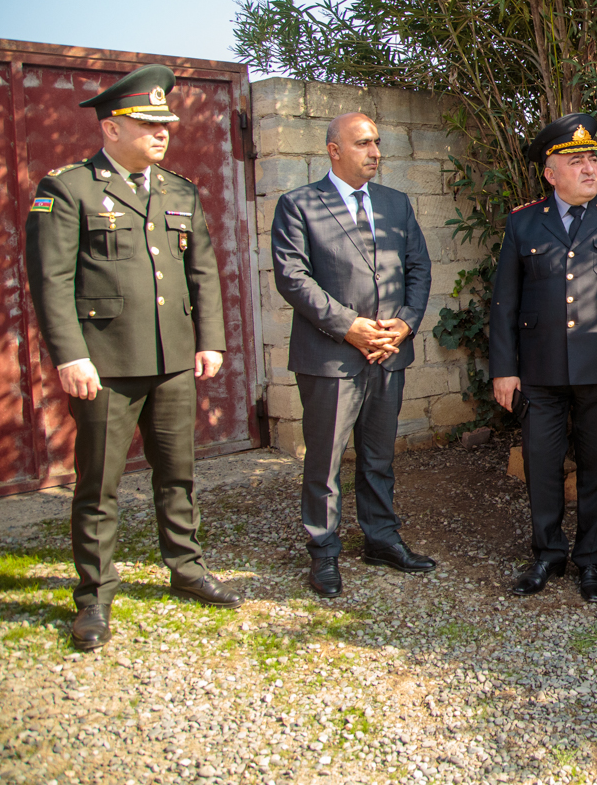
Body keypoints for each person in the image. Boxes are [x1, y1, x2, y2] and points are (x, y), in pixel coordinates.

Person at [24, 63, 240, 651]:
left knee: (178, 473)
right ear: (111, 128)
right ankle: (94, 597)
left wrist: (210, 340)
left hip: (172, 360)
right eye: (148, 124)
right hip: (105, 365)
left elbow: (202, 271)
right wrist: (70, 356)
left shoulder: (178, 190)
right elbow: (51, 281)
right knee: (98, 486)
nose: (162, 133)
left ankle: (186, 569)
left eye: (165, 124)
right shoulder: (69, 188)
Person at [489, 113, 597, 601]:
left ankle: (590, 559)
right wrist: (504, 370)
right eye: (576, 161)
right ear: (551, 174)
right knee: (541, 467)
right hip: (539, 369)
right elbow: (504, 302)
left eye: (592, 159)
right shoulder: (524, 222)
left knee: (596, 468)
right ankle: (547, 554)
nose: (589, 168)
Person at [271, 112, 435, 598]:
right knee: (324, 461)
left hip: (388, 353)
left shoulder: (395, 203)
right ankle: (323, 551)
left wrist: (404, 324)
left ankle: (381, 538)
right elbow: (293, 277)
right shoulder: (299, 204)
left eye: (377, 142)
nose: (375, 152)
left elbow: (418, 267)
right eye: (363, 143)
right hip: (331, 357)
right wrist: (350, 327)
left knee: (379, 456)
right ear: (334, 149)